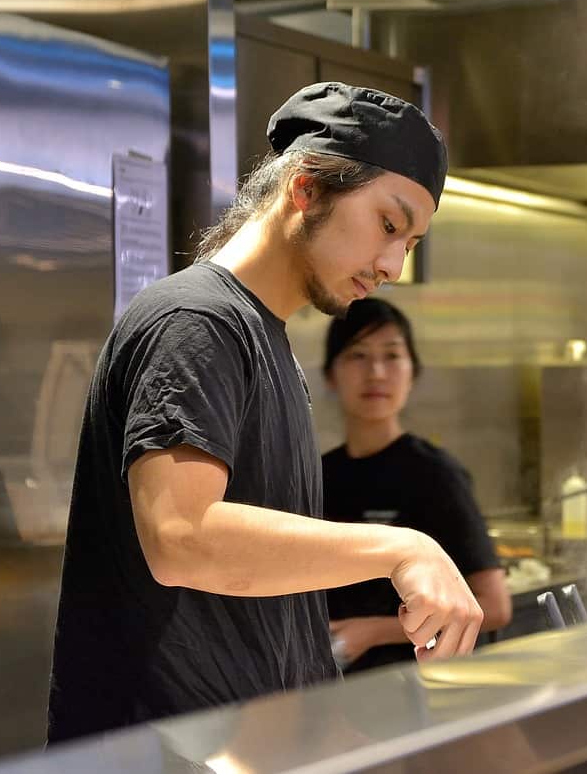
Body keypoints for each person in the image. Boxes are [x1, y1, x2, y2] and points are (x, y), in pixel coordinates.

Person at [47, 82, 484, 744]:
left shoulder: (263, 338)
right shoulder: (196, 322)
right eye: (389, 225)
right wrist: (403, 547)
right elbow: (181, 536)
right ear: (306, 188)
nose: (394, 264)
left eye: (411, 242)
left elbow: (262, 616)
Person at [321, 298, 512, 672]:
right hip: (328, 690)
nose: (376, 372)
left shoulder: (434, 474)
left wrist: (373, 631)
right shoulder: (317, 473)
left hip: (412, 688)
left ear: (413, 372)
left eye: (391, 356)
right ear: (331, 375)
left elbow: (494, 606)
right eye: (357, 356)